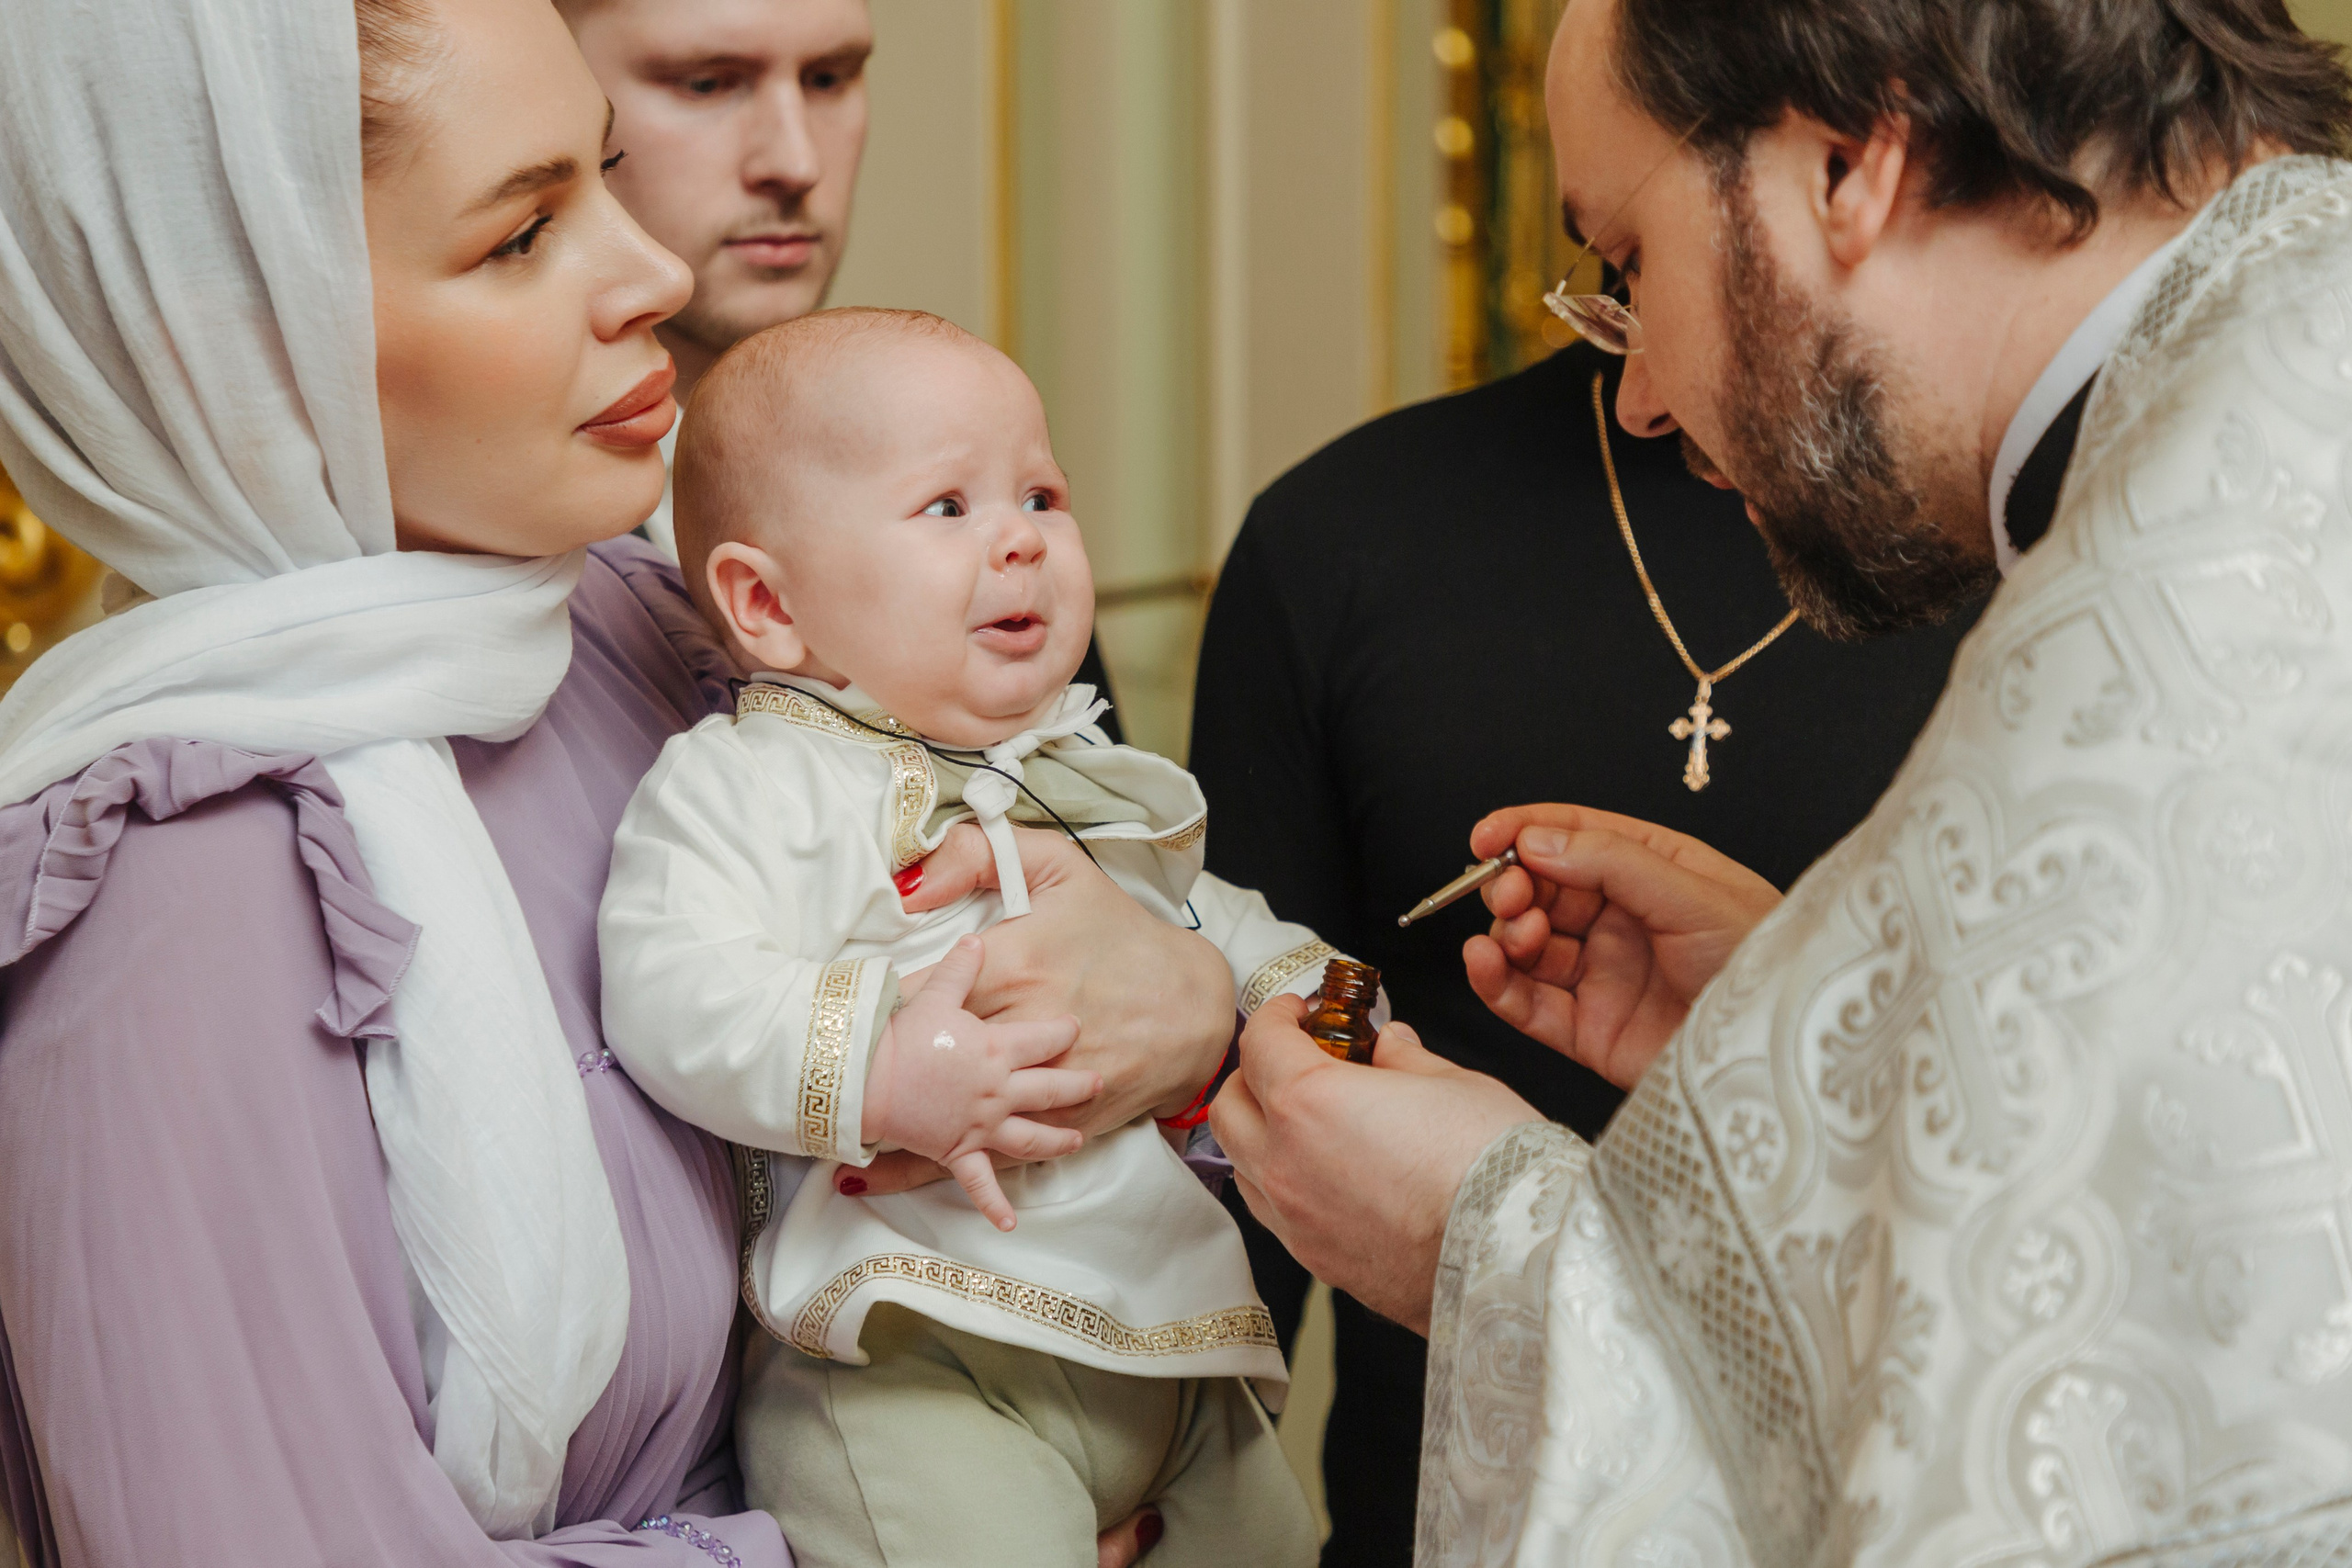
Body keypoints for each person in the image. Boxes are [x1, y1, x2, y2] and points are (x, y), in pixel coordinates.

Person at [0, 2, 1232, 1563]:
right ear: (247, 344)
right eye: (524, 233)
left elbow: (1060, 1039)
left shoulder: (656, 630)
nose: (651, 269)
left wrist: (1193, 1003)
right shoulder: (173, 901)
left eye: (604, 173)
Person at [1210, 1, 2352, 1564]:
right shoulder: (2269, 409)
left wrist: (1476, 1236)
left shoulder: (2185, 588)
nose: (1641, 392)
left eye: (1633, 262)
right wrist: (1834, 1038)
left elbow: (2094, 1481)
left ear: (1849, 158)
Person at [1190, 334, 1977, 1560]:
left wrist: (1798, 1008)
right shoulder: (1344, 534)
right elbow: (1263, 1105)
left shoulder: (2058, 569)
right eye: (1595, 285)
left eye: (1632, 251)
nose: (1641, 394)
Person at [599, 309, 1330, 1567]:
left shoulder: (1080, 769)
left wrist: (1327, 1008)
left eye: (1043, 493)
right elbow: (672, 980)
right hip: (914, 1361)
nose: (1022, 536)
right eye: (946, 506)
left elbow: (1218, 929)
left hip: (1169, 1352)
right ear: (768, 603)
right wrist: (881, 1069)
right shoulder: (749, 786)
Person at [559, 0, 872, 562]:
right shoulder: (440, 528)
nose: (797, 163)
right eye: (705, 85)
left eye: (827, 79)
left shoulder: (969, 486)